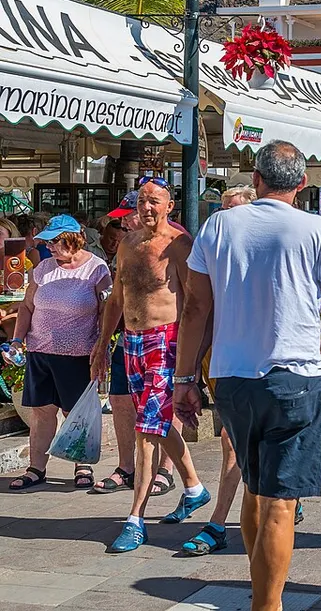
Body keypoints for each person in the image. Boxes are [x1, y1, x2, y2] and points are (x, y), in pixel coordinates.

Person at [173, 141, 321, 611]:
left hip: (231, 378)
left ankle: (261, 583)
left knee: (254, 485)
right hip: (295, 377)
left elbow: (194, 310)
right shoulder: (316, 230)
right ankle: (267, 604)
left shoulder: (217, 226)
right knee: (279, 501)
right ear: (303, 184)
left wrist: (183, 377)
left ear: (258, 177)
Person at [98, 179, 209, 554]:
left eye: (154, 201)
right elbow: (116, 298)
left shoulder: (179, 245)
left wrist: (192, 361)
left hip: (166, 340)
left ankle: (135, 519)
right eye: (142, 201)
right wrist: (101, 345)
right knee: (154, 424)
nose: (147, 208)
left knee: (147, 431)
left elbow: (198, 303)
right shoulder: (128, 244)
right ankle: (193, 486)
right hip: (131, 341)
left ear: (170, 206)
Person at [177, 184, 274, 557]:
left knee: (237, 442)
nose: (227, 219)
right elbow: (199, 314)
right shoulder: (213, 258)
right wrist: (186, 375)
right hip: (221, 364)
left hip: (262, 363)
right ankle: (277, 496)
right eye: (223, 210)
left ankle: (218, 522)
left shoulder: (265, 259)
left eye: (235, 210)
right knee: (234, 441)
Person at [7, 216, 112, 492]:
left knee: (75, 412)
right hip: (40, 352)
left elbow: (106, 312)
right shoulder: (43, 269)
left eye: (55, 241)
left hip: (78, 354)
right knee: (42, 412)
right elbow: (28, 307)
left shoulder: (96, 269)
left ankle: (82, 465)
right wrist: (18, 340)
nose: (50, 247)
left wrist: (102, 346)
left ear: (74, 239)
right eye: (48, 242)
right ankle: (36, 468)